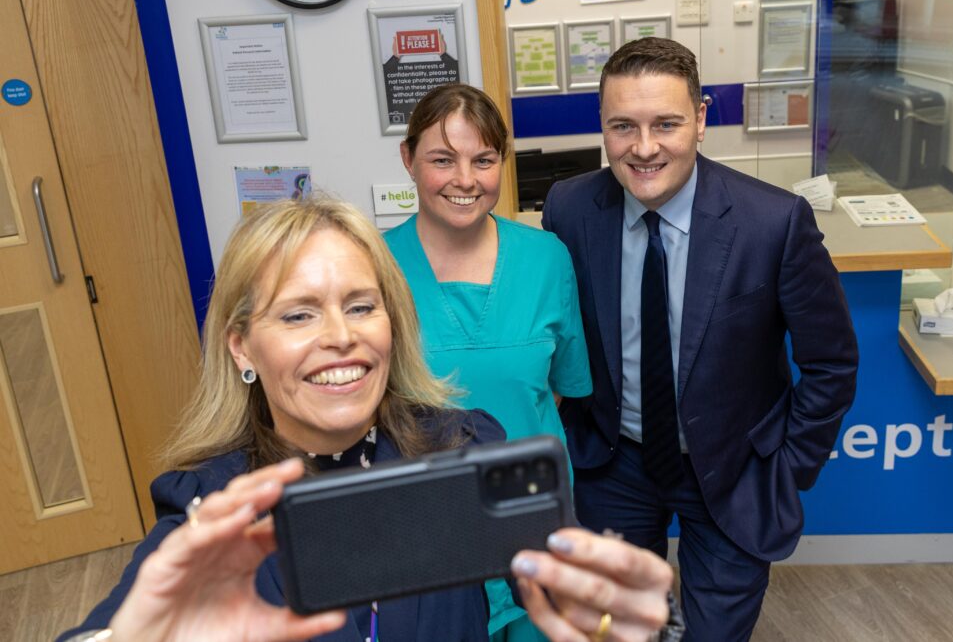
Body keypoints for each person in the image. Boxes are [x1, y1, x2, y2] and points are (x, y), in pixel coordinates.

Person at [59, 197, 676, 642]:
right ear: (242, 346)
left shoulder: (459, 448)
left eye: (361, 306)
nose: (341, 337)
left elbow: (559, 593)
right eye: (298, 315)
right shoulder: (207, 504)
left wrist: (611, 618)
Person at [542, 38, 859, 641]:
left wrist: (787, 468)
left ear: (703, 119)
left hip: (736, 469)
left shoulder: (774, 222)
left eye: (666, 123)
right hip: (615, 464)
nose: (643, 147)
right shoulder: (570, 207)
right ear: (602, 128)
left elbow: (831, 363)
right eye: (622, 126)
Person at [384, 84, 593, 641]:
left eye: (483, 159)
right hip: (425, 534)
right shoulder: (373, 267)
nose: (465, 179)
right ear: (408, 159)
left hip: (534, 518)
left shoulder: (547, 258)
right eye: (442, 159)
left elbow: (560, 387)